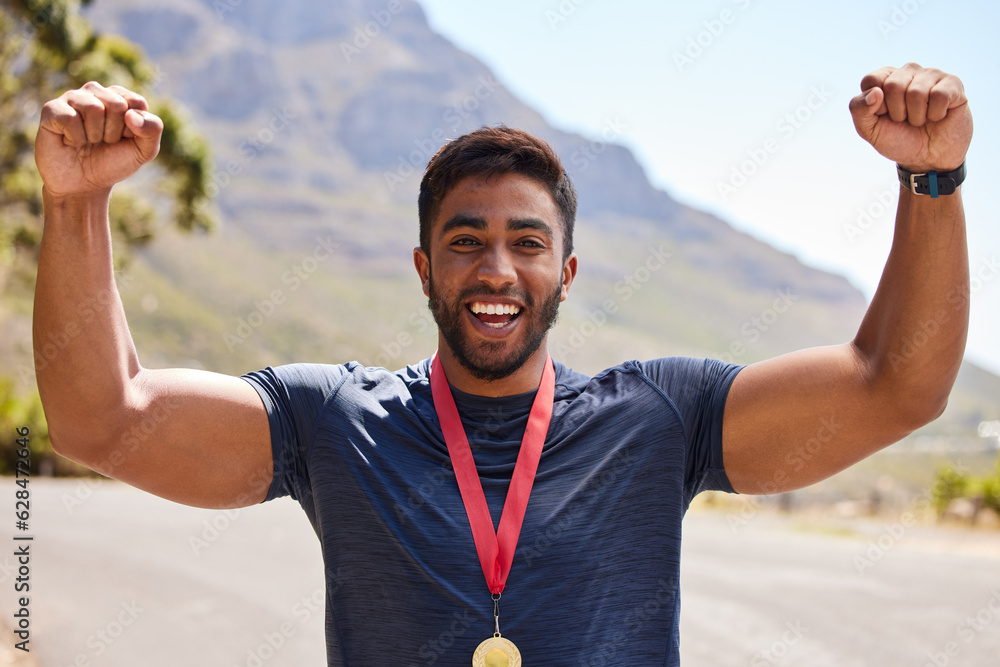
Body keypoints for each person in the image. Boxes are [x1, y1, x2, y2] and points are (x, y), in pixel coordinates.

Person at [33, 62, 972, 666]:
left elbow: (898, 383)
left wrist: (931, 183)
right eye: (465, 240)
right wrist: (75, 203)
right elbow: (102, 420)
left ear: (564, 273)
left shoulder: (657, 419)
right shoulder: (335, 423)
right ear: (423, 267)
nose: (496, 269)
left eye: (527, 241)